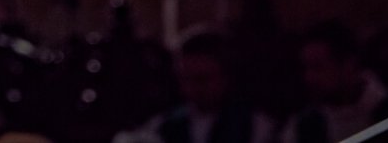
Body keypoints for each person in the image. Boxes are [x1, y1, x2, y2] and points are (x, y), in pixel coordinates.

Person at [112, 29, 275, 143]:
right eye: (185, 79)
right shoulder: (162, 127)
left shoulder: (256, 127)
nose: (191, 89)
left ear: (227, 76)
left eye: (202, 79)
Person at [281, 20, 388, 143]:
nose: (308, 77)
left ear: (348, 65)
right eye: (306, 68)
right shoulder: (302, 128)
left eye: (317, 67)